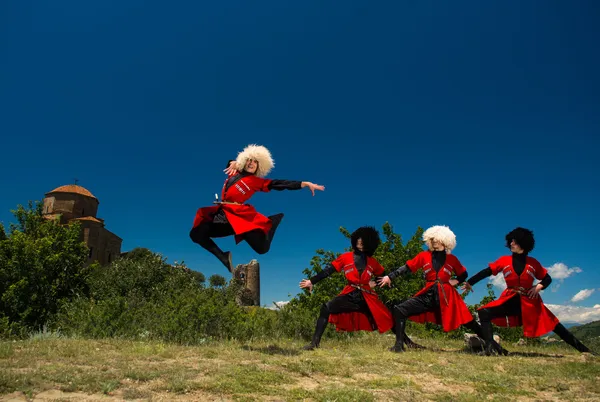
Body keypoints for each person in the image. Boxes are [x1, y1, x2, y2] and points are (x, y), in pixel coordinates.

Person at [190, 144, 324, 272]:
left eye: (255, 162)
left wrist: (304, 184)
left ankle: (272, 222)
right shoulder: (234, 172)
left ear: (259, 166)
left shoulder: (256, 181)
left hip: (239, 217)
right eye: (249, 160)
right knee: (196, 233)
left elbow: (278, 184)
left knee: (262, 249)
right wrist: (233, 162)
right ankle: (223, 257)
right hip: (223, 215)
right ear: (244, 161)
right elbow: (230, 163)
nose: (251, 163)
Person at [463, 227, 596, 355]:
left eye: (515, 241)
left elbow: (547, 278)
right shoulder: (504, 260)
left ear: (523, 243)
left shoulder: (533, 263)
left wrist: (538, 287)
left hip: (530, 303)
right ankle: (491, 348)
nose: (511, 243)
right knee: (484, 312)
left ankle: (585, 351)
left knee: (555, 325)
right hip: (510, 300)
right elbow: (487, 272)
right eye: (511, 240)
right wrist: (470, 282)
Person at [379, 225, 506, 354]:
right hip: (428, 294)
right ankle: (400, 345)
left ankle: (496, 347)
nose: (434, 240)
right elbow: (407, 267)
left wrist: (455, 281)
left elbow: (463, 274)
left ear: (445, 241)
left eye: (437, 238)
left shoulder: (452, 259)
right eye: (432, 238)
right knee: (399, 311)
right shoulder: (423, 256)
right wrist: (390, 276)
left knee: (469, 322)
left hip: (448, 296)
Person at [299, 226, 396, 350]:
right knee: (326, 308)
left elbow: (383, 277)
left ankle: (404, 342)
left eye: (363, 241)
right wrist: (312, 281)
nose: (360, 243)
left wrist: (375, 283)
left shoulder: (372, 262)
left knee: (386, 316)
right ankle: (314, 344)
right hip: (350, 293)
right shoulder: (345, 257)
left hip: (367, 296)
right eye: (358, 241)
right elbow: (328, 270)